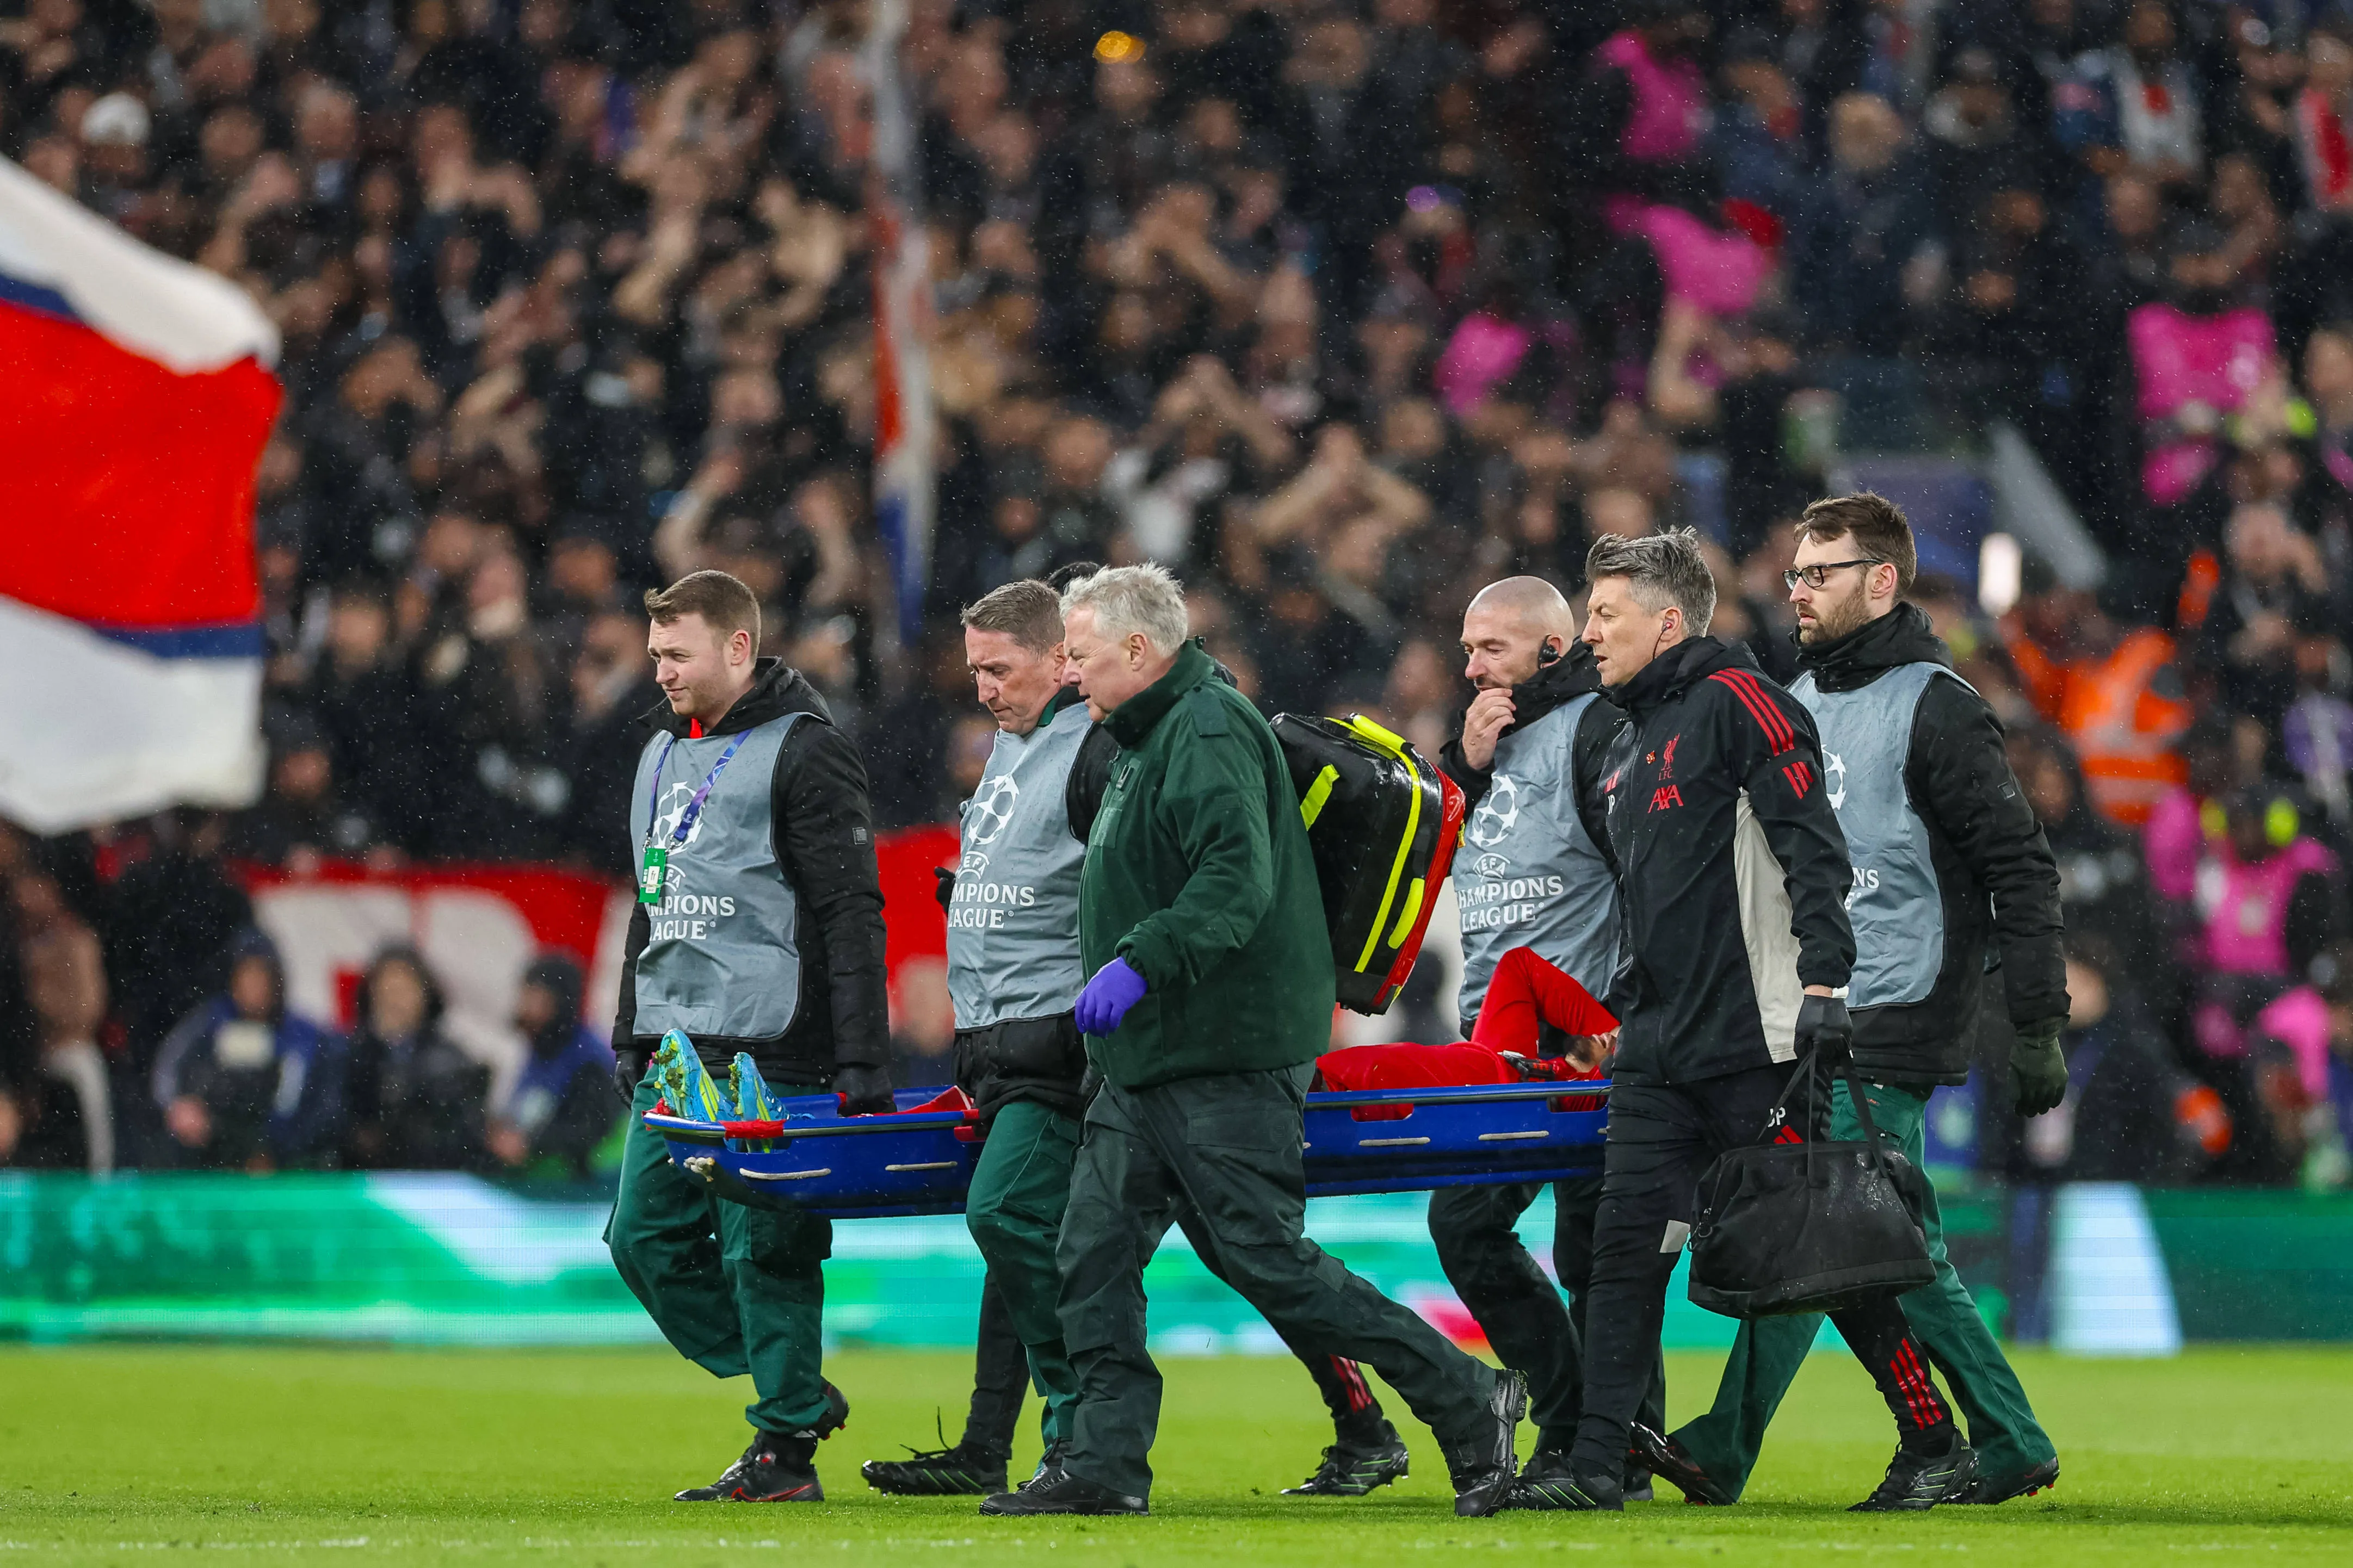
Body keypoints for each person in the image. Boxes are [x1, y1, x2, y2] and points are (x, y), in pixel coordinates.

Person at [983, 564, 1524, 1518]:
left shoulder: (1205, 729)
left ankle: (1469, 1397)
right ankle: (1104, 1464)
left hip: (1223, 1051)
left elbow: (1236, 882)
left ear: (1141, 650)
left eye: (1082, 653)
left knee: (1270, 1261)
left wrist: (1139, 958)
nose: (1068, 672)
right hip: (1150, 1056)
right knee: (1093, 1253)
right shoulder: (1145, 733)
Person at [866, 577, 1422, 1503]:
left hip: (1088, 1040)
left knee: (1052, 1223)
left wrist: (1131, 969)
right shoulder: (1017, 747)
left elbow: (1155, 879)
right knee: (1152, 1238)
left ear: (1064, 659)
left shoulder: (1104, 748)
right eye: (974, 670)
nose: (983, 689)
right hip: (1018, 1035)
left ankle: (1076, 1441)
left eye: (1002, 668)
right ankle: (1002, 1440)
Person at [1642, 494, 2067, 1507]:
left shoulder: (1940, 703)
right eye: (1793, 571)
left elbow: (2020, 863)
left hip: (1894, 1004)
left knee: (1847, 1227)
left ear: (1882, 582)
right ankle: (1996, 1437)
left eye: (1819, 572)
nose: (1796, 588)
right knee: (1847, 1231)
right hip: (1809, 1006)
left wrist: (2039, 1018)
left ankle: (1739, 1442)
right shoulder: (1801, 694)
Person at [1534, 528, 1971, 1513]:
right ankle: (1600, 1467)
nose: (1589, 632)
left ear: (1669, 618)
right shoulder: (1626, 732)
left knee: (1820, 1250)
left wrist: (1828, 987)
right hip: (1657, 1048)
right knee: (1622, 1248)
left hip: (1759, 1037)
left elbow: (1816, 852)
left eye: (1605, 614)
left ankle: (1933, 1436)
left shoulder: (1741, 704)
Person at [602, 569, 893, 1503]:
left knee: (764, 1248)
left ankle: (784, 1448)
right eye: (655, 655)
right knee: (641, 1237)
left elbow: (852, 910)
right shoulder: (654, 750)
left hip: (775, 1044)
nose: (661, 673)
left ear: (737, 647)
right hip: (679, 1048)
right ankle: (795, 1389)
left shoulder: (807, 753)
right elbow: (656, 905)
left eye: (676, 654)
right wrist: (630, 1026)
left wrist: (860, 1058)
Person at [1431, 575, 1665, 1493]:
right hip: (1501, 1048)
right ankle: (1597, 1435)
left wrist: (1629, 1012)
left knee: (1586, 1248)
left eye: (1493, 646)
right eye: (1467, 647)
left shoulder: (1600, 733)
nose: (1472, 664)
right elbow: (1437, 880)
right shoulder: (1485, 750)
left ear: (1553, 651)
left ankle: (1604, 1443)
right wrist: (1465, 773)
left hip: (1581, 1046)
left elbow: (1651, 872)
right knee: (1489, 1232)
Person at [150, 930, 345, 1172]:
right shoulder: (210, 1023)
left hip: (285, 1162)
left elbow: (314, 1103)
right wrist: (178, 1106)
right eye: (246, 975)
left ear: (276, 981)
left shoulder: (302, 1035)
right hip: (216, 1156)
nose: (254, 986)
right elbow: (169, 1068)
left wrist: (273, 1149)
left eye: (261, 975)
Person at [343, 946, 490, 1171]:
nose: (394, 1002)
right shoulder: (348, 1056)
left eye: (403, 991)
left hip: (426, 1187)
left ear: (425, 995)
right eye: (386, 992)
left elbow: (461, 1141)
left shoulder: (451, 1063)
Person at [489, 952, 616, 1177]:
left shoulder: (590, 1059)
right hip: (542, 1179)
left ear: (561, 1003)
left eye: (537, 998)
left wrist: (530, 1145)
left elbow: (588, 1130)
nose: (526, 1007)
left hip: (584, 1188)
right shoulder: (539, 1049)